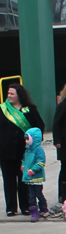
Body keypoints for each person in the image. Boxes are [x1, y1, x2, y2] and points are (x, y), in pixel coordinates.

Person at [0, 83, 45, 216]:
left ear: (19, 95)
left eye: (12, 93)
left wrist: (35, 142)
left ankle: (26, 206)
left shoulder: (30, 109)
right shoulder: (3, 109)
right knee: (8, 180)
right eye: (8, 93)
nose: (9, 96)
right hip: (5, 151)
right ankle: (11, 207)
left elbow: (39, 126)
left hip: (25, 152)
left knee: (24, 180)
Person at [21, 127, 48, 222]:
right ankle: (34, 211)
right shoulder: (27, 150)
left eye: (27, 139)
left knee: (38, 193)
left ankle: (43, 208)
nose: (26, 141)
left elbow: (41, 162)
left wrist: (33, 170)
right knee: (31, 195)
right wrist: (23, 165)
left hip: (36, 178)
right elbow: (24, 159)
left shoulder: (38, 150)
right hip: (29, 178)